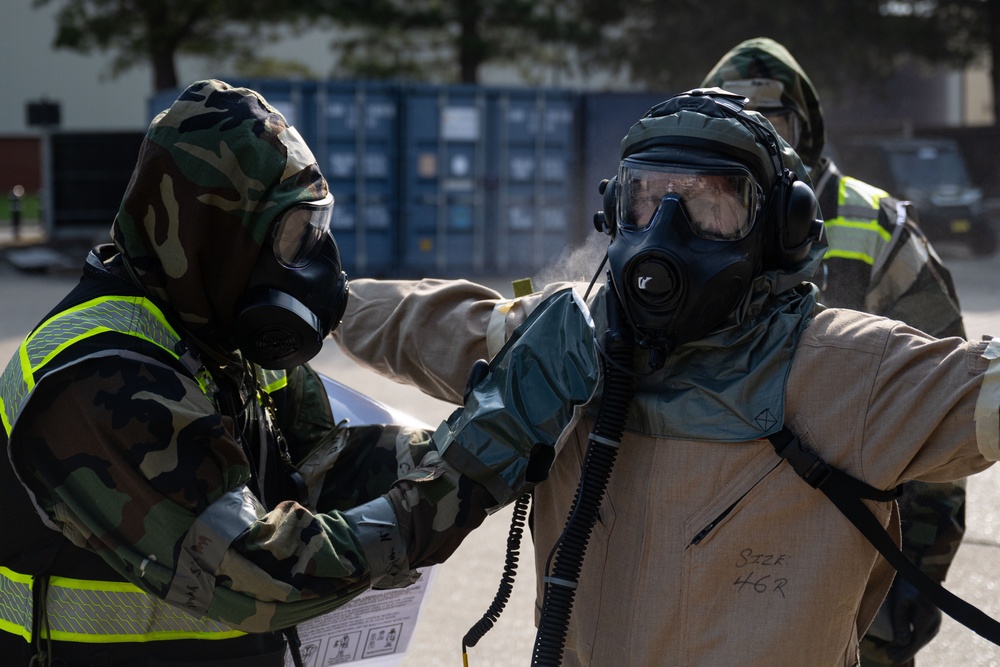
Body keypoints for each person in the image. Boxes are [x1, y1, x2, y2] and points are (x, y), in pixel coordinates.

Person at [332, 88, 1000, 666]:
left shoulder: (852, 374)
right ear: (613, 211)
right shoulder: (566, 342)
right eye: (648, 199)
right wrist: (314, 294)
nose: (666, 234)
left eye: (712, 204)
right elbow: (422, 321)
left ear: (779, 228)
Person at [0, 79, 502, 666]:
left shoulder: (218, 334)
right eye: (292, 235)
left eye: (315, 229)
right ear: (212, 234)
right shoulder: (101, 378)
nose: (316, 263)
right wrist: (464, 482)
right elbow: (257, 570)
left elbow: (325, 464)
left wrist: (479, 439)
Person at [701, 37, 967, 667]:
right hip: (711, 550)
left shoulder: (874, 227)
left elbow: (944, 410)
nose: (760, 138)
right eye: (740, 120)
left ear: (809, 128)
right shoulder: (679, 216)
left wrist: (916, 573)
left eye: (776, 121)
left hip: (851, 545)